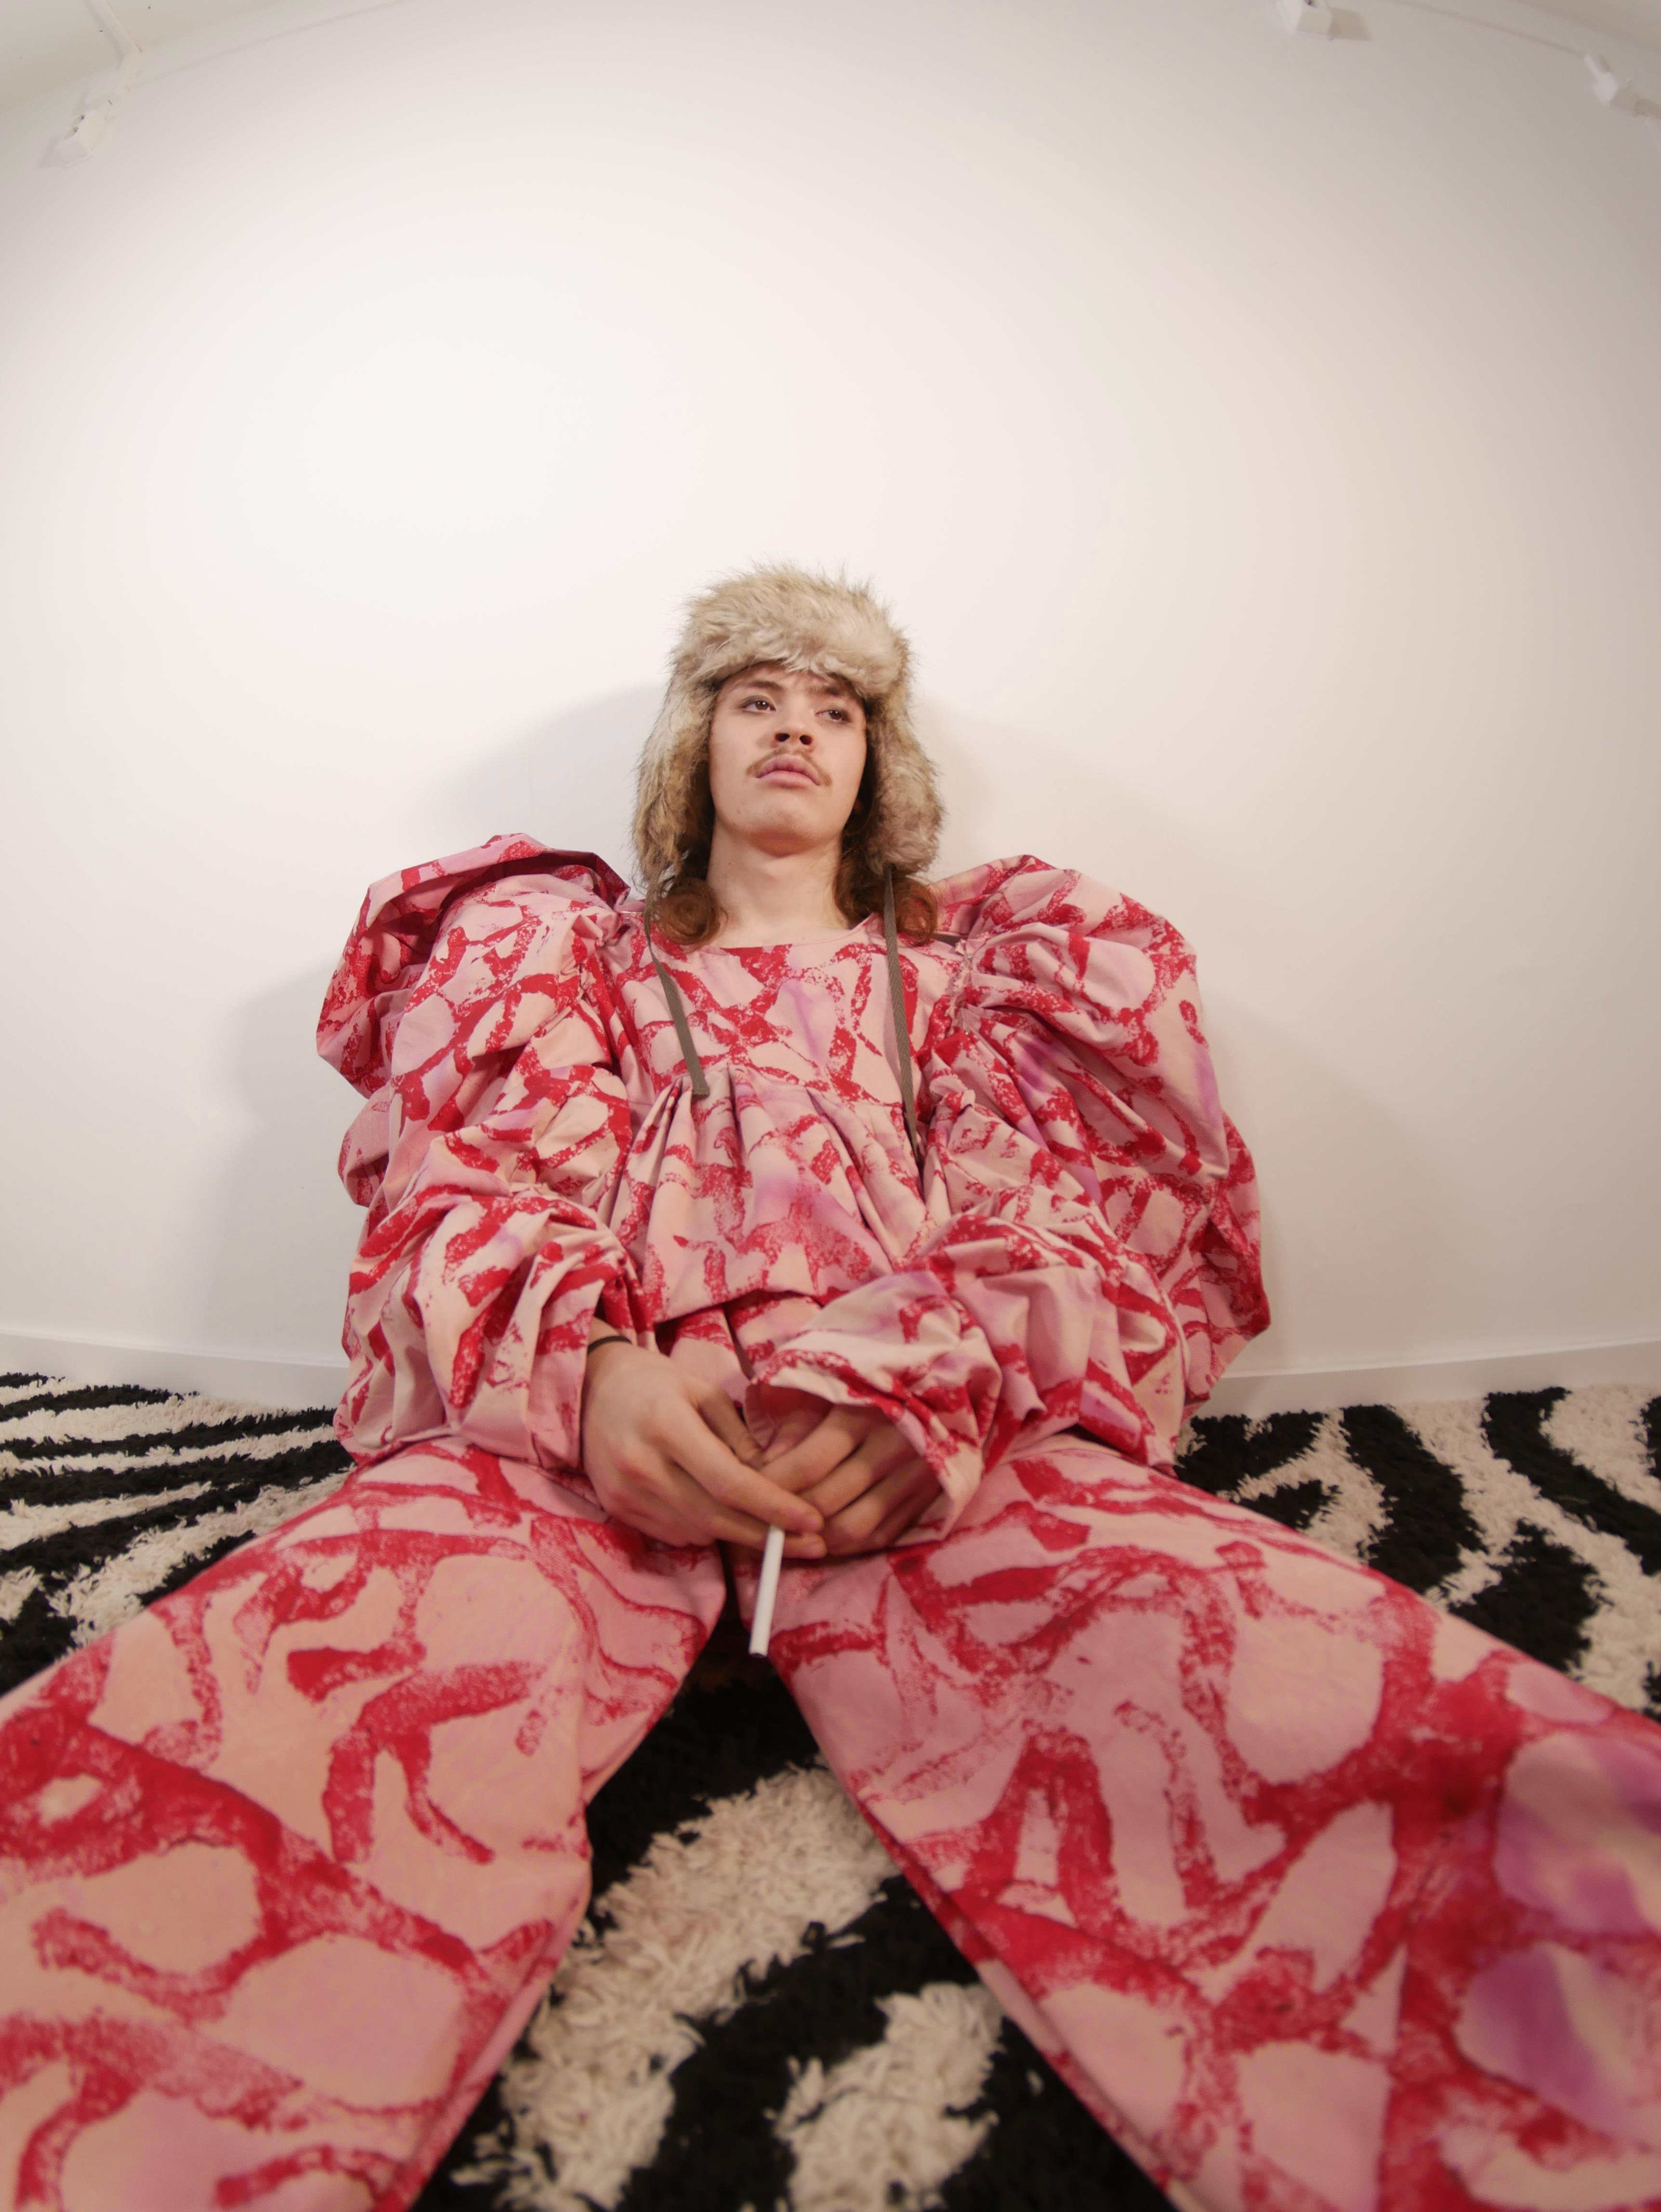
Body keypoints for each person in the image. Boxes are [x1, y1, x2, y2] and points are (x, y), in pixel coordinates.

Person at [2, 567, 1660, 2212]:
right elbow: (473, 1184)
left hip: (913, 1441)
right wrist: (587, 1372)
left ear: (879, 760)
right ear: (697, 741)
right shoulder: (566, 958)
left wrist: (929, 1384)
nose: (795, 729)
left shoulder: (977, 974)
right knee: (277, 1689)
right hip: (596, 1434)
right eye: (755, 698)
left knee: (1290, 1679)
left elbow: (1057, 1215)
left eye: (837, 707)